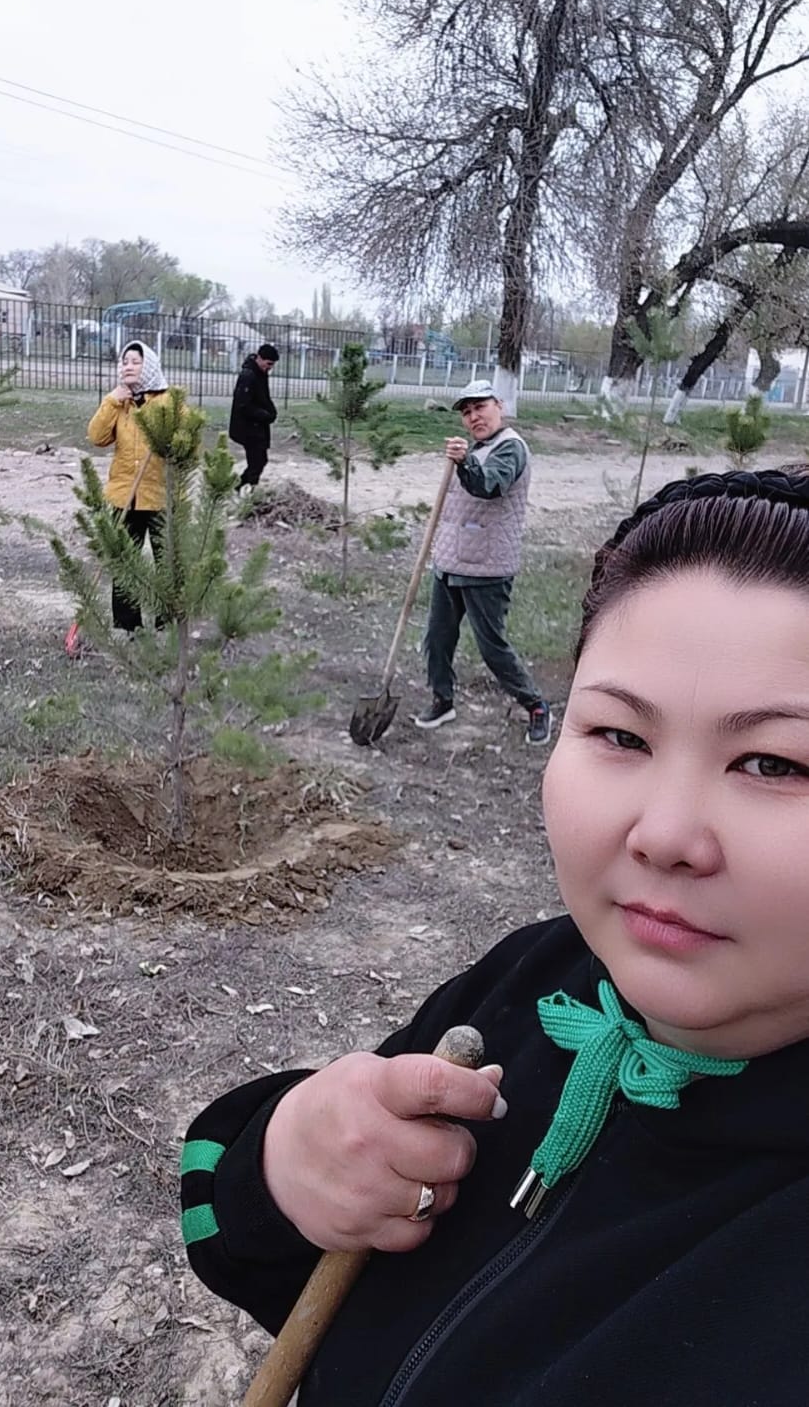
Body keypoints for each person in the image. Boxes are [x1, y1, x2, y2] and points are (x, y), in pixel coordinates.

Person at [180, 467, 809, 1406]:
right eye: (619, 736)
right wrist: (288, 1160)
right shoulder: (532, 983)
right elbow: (258, 1252)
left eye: (772, 761)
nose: (663, 834)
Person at [413, 378, 550, 744]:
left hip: (487, 568)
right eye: (467, 411)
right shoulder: (478, 447)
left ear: (499, 406)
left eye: (481, 407)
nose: (474, 416)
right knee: (438, 638)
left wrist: (463, 463)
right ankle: (443, 700)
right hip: (451, 561)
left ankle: (535, 705)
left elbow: (489, 485)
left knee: (492, 647)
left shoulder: (511, 449)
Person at [86, 340, 170, 631]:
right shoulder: (120, 403)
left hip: (161, 496)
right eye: (125, 361)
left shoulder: (167, 401)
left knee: (168, 564)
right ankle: (126, 627)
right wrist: (112, 399)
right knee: (124, 563)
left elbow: (188, 444)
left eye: (135, 361)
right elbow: (97, 437)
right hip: (125, 496)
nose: (128, 366)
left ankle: (166, 627)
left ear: (149, 365)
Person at [229, 342, 280, 489]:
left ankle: (243, 486)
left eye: (272, 365)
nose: (270, 367)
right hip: (248, 428)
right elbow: (243, 405)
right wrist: (264, 415)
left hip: (257, 427)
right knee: (257, 461)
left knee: (260, 460)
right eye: (268, 363)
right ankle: (245, 487)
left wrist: (271, 411)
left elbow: (262, 397)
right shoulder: (248, 375)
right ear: (259, 358)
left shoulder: (260, 373)